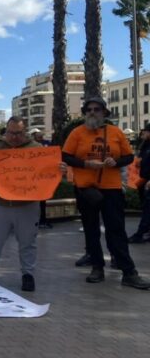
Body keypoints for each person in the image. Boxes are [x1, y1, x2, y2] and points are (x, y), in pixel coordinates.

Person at [62, 97, 150, 289]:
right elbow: (66, 156)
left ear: (104, 113)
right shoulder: (77, 133)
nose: (92, 112)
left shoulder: (116, 132)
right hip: (86, 189)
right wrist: (86, 164)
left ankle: (129, 272)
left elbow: (128, 156)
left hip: (111, 189)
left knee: (116, 230)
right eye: (89, 110)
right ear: (85, 113)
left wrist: (115, 162)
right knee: (91, 230)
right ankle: (97, 267)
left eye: (97, 109)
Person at [0, 117, 56, 292]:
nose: (14, 137)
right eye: (11, 133)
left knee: (28, 242)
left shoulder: (36, 149)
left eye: (18, 133)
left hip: (28, 205)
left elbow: (49, 170)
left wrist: (59, 169)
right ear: (6, 131)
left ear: (25, 132)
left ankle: (28, 275)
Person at [129, 123, 150, 243]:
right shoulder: (144, 145)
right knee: (145, 207)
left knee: (147, 209)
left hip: (148, 182)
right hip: (142, 181)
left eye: (146, 132)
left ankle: (140, 234)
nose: (144, 134)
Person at [30, 129, 53, 229]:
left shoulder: (46, 144)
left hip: (44, 177)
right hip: (34, 177)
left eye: (41, 136)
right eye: (38, 136)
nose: (40, 137)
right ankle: (36, 221)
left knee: (43, 201)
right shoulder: (30, 146)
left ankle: (42, 220)